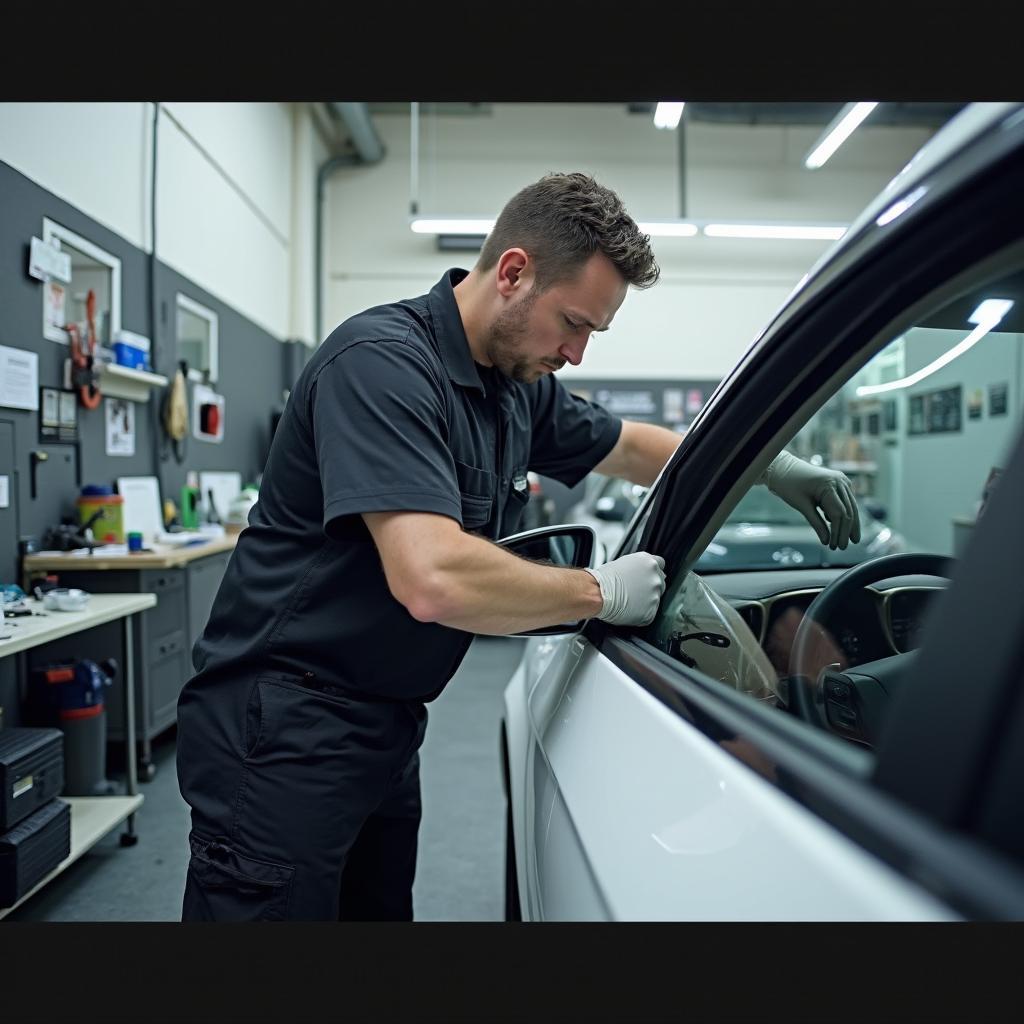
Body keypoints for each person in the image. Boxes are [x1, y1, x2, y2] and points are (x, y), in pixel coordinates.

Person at [176, 171, 860, 921]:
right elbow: (431, 578)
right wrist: (600, 592)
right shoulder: (381, 364)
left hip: (382, 723)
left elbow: (631, 447)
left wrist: (768, 465)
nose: (576, 354)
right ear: (512, 273)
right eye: (573, 324)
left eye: (592, 333)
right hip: (281, 725)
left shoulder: (512, 386)